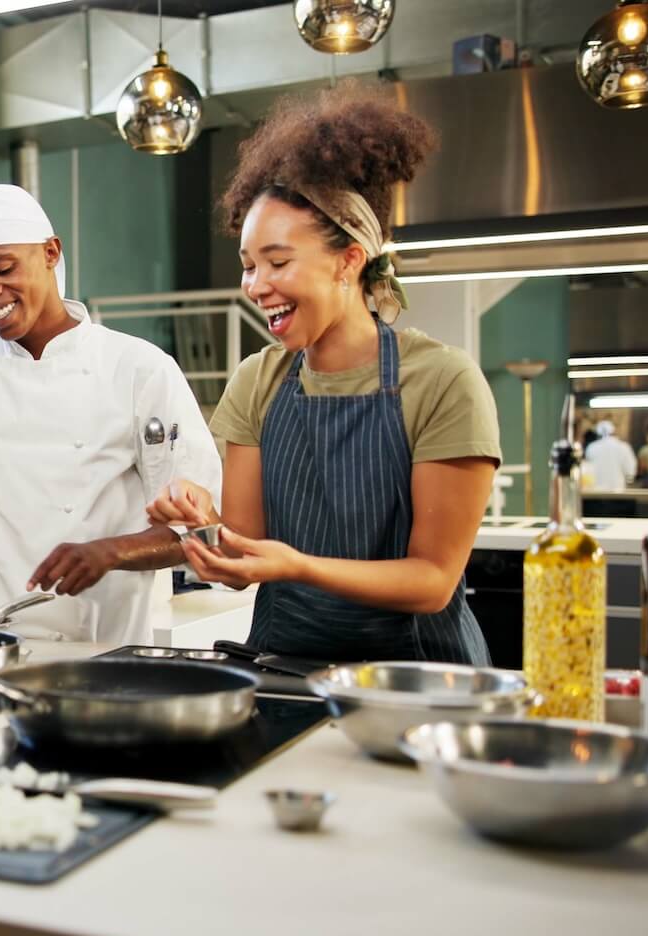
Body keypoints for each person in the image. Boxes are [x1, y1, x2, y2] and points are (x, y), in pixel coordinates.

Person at [148, 85, 501, 664]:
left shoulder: (442, 381)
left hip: (414, 682)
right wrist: (199, 523)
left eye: (278, 262)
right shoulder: (257, 381)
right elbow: (241, 558)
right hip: (286, 671)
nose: (255, 286)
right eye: (248, 265)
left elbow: (433, 580)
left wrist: (297, 566)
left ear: (349, 260)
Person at [0, 184, 221, 643]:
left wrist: (110, 552)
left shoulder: (139, 368)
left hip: (101, 645)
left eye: (3, 268)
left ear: (51, 252)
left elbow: (197, 526)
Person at [583, 419, 637, 490]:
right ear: (613, 432)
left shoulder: (591, 447)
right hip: (618, 490)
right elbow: (630, 471)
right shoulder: (624, 447)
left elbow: (587, 471)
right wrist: (629, 482)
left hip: (596, 491)